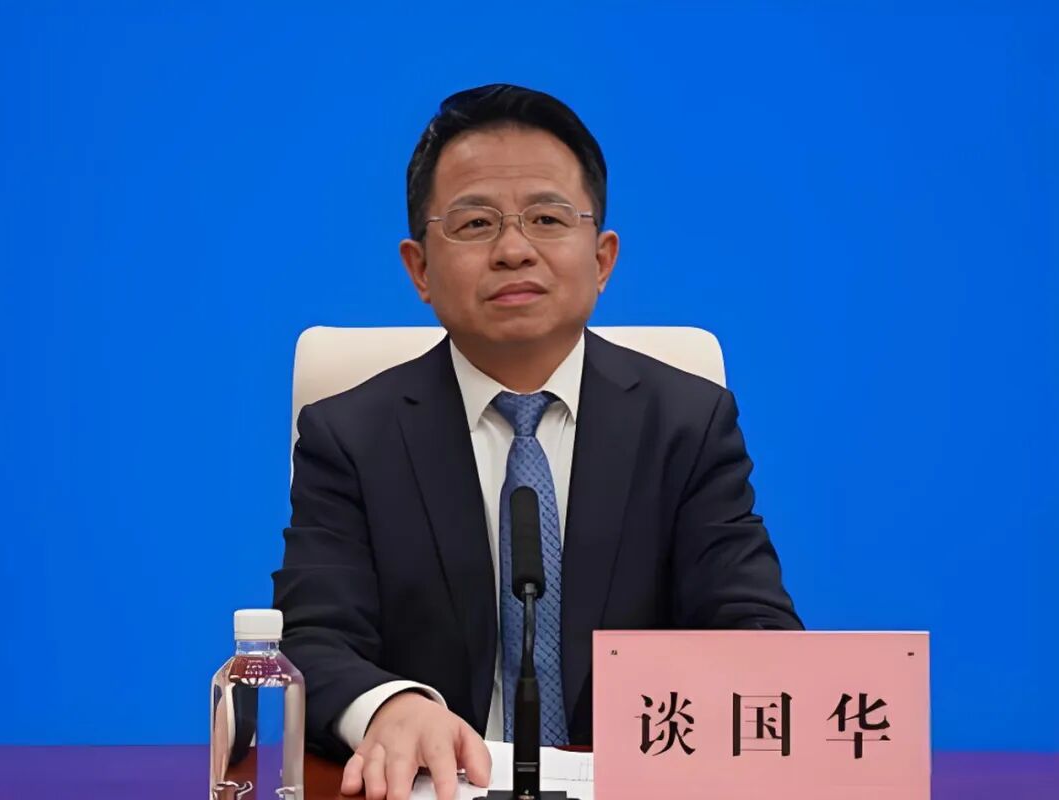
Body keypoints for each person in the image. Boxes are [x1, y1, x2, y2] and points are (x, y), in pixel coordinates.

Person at [273, 83, 803, 800]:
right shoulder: (351, 435)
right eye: (475, 223)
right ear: (419, 268)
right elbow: (311, 640)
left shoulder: (686, 423)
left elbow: (754, 628)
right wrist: (390, 706)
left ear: (603, 258)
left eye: (548, 219)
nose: (514, 250)